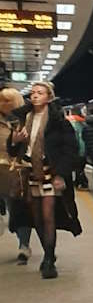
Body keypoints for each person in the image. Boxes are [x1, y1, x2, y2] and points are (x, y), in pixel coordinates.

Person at [6, 81, 82, 278]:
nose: (35, 96)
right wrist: (15, 141)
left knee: (49, 215)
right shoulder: (22, 118)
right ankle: (50, 252)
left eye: (40, 93)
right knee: (37, 218)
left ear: (49, 97)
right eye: (32, 93)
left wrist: (62, 175)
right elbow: (13, 150)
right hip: (28, 173)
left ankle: (48, 260)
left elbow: (70, 149)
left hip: (50, 173)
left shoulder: (59, 121)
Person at [0, 87, 33, 263]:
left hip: (16, 173)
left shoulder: (25, 121)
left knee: (18, 210)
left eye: (8, 100)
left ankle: (24, 246)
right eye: (2, 100)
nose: (5, 104)